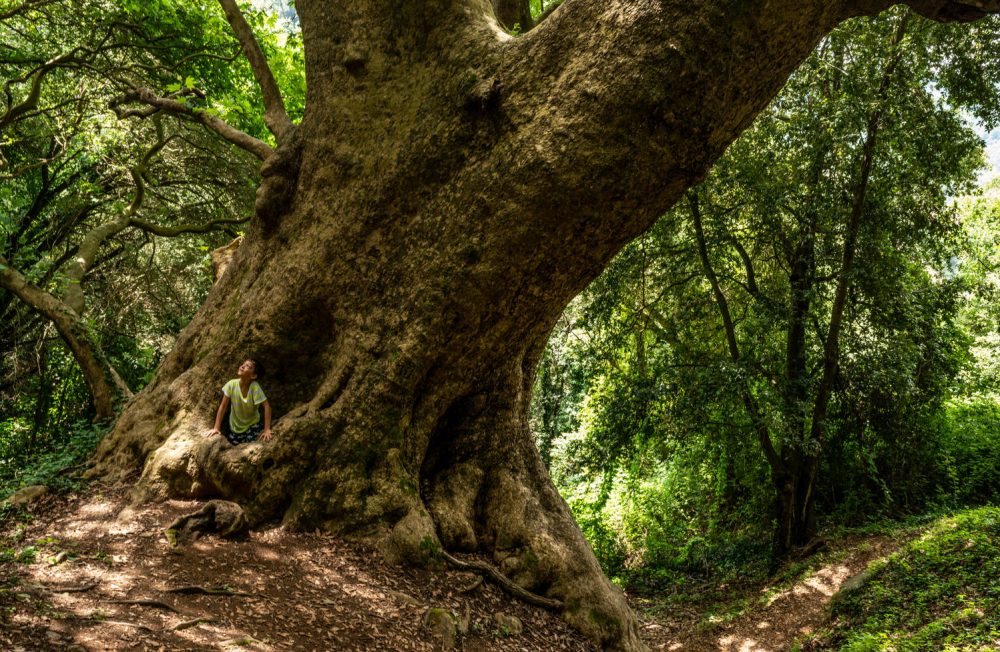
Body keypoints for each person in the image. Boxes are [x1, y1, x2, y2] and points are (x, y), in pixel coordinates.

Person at [209, 357, 273, 444]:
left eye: (248, 366)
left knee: (252, 445)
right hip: (235, 428)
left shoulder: (254, 387)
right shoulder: (231, 384)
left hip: (252, 425)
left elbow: (266, 406)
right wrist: (216, 428)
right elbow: (223, 406)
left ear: (253, 375)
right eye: (243, 364)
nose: (242, 366)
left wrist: (267, 429)